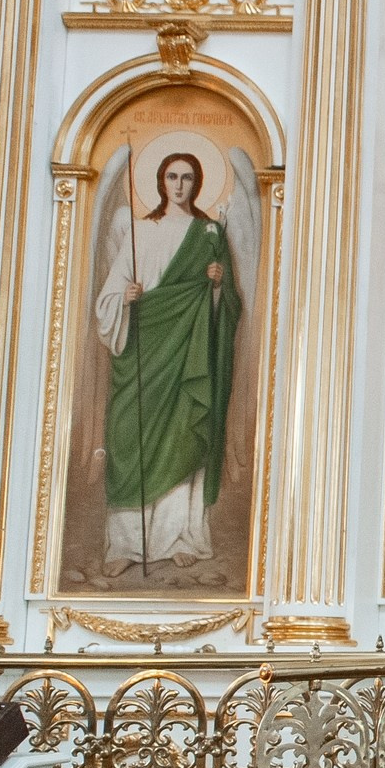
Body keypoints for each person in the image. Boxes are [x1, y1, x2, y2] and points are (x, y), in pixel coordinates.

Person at [94, 151, 243, 577]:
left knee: (181, 437)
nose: (180, 185)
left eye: (188, 178)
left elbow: (230, 305)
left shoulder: (209, 232)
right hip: (142, 347)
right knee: (129, 435)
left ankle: (179, 536)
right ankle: (126, 542)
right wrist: (124, 298)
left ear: (197, 184)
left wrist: (217, 284)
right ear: (161, 181)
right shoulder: (140, 230)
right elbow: (108, 295)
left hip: (188, 352)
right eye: (172, 176)